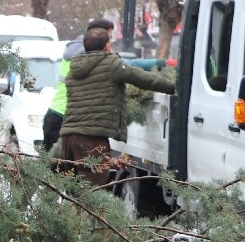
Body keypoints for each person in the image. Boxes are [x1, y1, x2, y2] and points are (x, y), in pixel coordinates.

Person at [58, 26, 176, 188]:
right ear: (107, 46)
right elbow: (144, 79)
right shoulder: (111, 64)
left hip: (68, 138)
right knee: (93, 193)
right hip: (91, 139)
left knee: (73, 192)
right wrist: (175, 88)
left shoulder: (74, 69)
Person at [42, 18, 115, 152]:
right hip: (66, 117)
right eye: (109, 38)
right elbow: (119, 67)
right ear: (99, 36)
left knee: (54, 163)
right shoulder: (88, 55)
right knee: (63, 164)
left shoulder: (77, 50)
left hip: (58, 115)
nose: (111, 42)